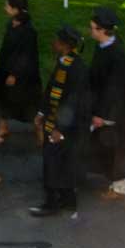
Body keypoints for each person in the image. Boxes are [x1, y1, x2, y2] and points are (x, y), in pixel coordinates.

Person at [30, 25, 91, 218]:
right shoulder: (64, 62)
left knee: (54, 163)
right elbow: (52, 89)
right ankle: (67, 200)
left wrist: (60, 130)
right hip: (55, 121)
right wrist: (41, 111)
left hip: (65, 127)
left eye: (57, 40)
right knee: (62, 164)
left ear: (64, 44)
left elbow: (74, 102)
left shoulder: (76, 68)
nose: (53, 42)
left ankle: (52, 203)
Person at [89, 8, 125, 201]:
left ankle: (120, 187)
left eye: (92, 28)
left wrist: (103, 115)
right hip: (104, 107)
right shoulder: (102, 47)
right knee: (107, 147)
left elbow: (115, 90)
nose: (90, 31)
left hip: (114, 112)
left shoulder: (117, 56)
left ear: (102, 30)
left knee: (116, 149)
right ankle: (113, 182)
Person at [0, 0, 41, 148]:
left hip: (23, 76)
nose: (4, 7)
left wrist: (14, 74)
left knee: (27, 104)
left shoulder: (28, 31)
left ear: (16, 9)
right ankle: (3, 127)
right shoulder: (11, 24)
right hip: (6, 69)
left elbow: (27, 56)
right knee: (4, 100)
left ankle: (40, 132)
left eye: (7, 5)